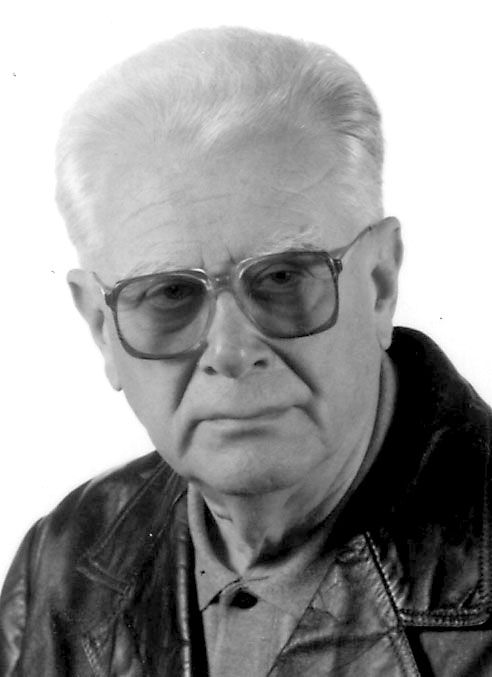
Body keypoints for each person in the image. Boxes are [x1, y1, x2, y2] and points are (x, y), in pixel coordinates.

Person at [1, 26, 491, 677]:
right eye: (170, 294)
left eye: (283, 278)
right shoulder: (62, 559)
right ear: (101, 327)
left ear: (379, 284)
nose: (230, 352)